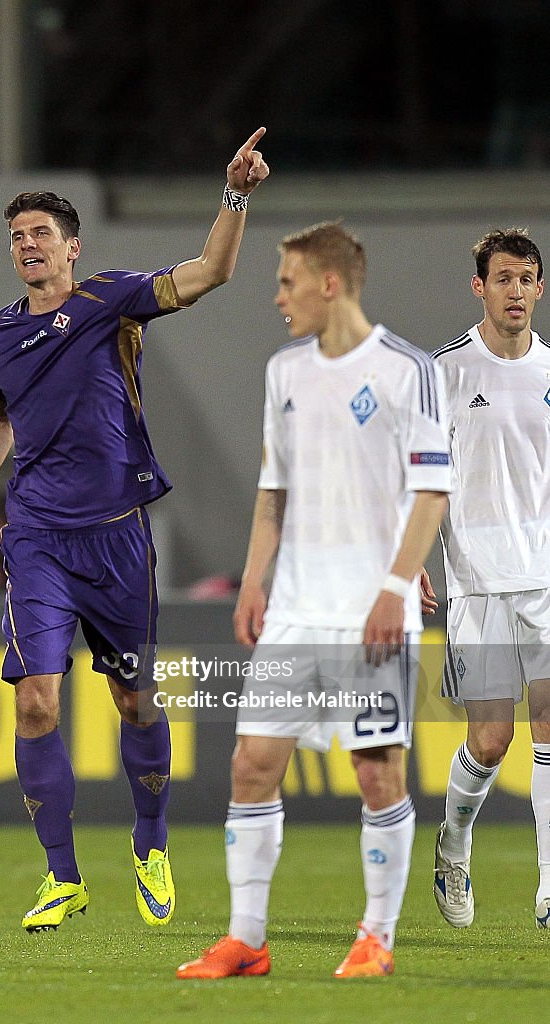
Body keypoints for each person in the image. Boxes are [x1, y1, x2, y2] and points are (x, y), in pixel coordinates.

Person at [0, 128, 269, 932]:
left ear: (72, 247)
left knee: (135, 702)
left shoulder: (112, 300)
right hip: (38, 538)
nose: (26, 246)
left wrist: (236, 195)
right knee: (37, 703)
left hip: (118, 538)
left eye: (40, 235)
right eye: (16, 237)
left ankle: (150, 843)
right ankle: (62, 878)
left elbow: (213, 271)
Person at [177, 221, 451, 981]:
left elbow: (431, 491)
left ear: (330, 284)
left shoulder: (407, 370)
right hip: (295, 610)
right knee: (252, 763)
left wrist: (398, 586)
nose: (278, 297)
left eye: (289, 282)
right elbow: (274, 491)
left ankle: (377, 937)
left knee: (376, 773)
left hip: (370, 609)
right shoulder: (285, 371)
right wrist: (255, 580)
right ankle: (246, 940)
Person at [427, 228, 550, 929]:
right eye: (502, 278)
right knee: (492, 741)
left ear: (539, 287)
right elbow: (416, 475)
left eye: (526, 277)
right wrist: (411, 556)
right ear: (480, 287)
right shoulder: (446, 370)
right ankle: (454, 841)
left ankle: (548, 888)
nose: (515, 290)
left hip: (545, 577)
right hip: (475, 578)